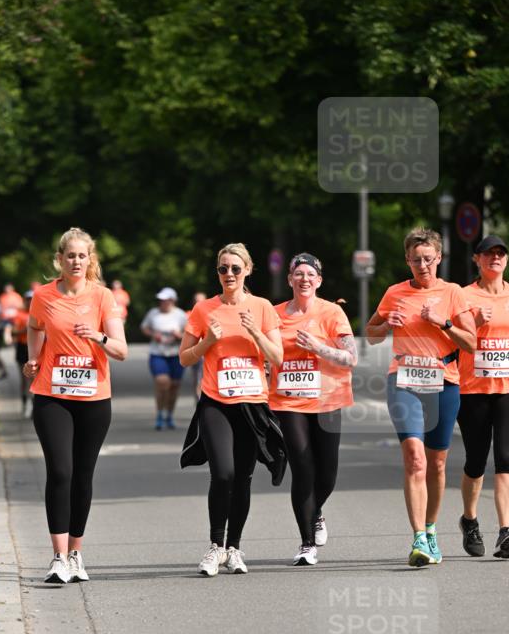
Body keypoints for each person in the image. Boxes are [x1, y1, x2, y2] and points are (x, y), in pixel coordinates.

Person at [366, 227, 476, 566]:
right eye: (416, 260)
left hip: (444, 380)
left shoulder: (454, 293)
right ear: (407, 261)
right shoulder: (394, 293)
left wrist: (441, 322)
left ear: (439, 258)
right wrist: (386, 327)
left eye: (428, 259)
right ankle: (417, 538)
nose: (423, 265)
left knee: (437, 463)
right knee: (415, 457)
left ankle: (430, 530)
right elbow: (370, 334)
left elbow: (470, 343)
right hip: (405, 379)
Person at [23, 228, 127, 584]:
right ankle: (58, 557)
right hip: (52, 396)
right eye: (70, 256)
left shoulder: (103, 297)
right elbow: (34, 327)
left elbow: (122, 350)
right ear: (60, 259)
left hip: (94, 399)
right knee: (60, 472)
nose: (77, 261)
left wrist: (97, 336)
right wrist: (33, 358)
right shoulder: (44, 296)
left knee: (83, 476)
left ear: (90, 259)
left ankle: (76, 554)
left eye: (83, 256)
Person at [179, 243, 284, 576]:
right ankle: (215, 547)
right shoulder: (203, 309)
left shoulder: (263, 307)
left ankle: (234, 548)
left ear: (248, 270)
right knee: (222, 473)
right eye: (223, 269)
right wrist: (207, 342)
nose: (228, 275)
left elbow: (277, 357)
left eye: (235, 269)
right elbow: (184, 357)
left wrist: (255, 332)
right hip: (215, 402)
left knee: (243, 478)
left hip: (252, 404)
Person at [268, 253, 357, 566]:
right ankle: (306, 543)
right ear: (290, 279)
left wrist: (318, 347)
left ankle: (315, 511)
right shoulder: (274, 313)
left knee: (327, 475)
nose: (304, 279)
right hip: (288, 401)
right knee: (302, 468)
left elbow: (351, 357)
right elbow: (265, 351)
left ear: (319, 280)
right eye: (298, 274)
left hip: (328, 400)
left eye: (310, 274)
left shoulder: (332, 312)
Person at [456, 235, 509, 559]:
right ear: (477, 259)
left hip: (507, 389)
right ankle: (470, 520)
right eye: (489, 253)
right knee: (476, 462)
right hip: (473, 389)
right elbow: (450, 340)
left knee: (506, 459)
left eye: (501, 253)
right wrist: (474, 323)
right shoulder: (464, 296)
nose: (496, 257)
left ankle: (506, 531)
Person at [140, 288, 188, 429]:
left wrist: (179, 335)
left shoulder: (180, 315)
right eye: (161, 300)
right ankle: (160, 414)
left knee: (174, 386)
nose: (163, 302)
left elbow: (189, 333)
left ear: (173, 300)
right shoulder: (153, 313)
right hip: (157, 353)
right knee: (162, 382)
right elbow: (144, 327)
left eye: (166, 300)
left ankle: (169, 415)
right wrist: (154, 335)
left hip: (176, 354)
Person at [12, 292, 33, 417]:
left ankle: (33, 405)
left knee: (34, 379)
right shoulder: (19, 315)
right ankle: (25, 403)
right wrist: (23, 330)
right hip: (22, 347)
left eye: (32, 299)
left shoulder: (39, 313)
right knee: (24, 379)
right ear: (24, 301)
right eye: (28, 299)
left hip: (35, 348)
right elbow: (13, 332)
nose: (30, 302)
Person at [189, 292, 207, 402]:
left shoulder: (213, 313)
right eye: (196, 301)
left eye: (201, 300)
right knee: (197, 379)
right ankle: (199, 402)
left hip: (208, 354)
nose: (198, 303)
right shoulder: (188, 315)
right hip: (194, 353)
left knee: (203, 380)